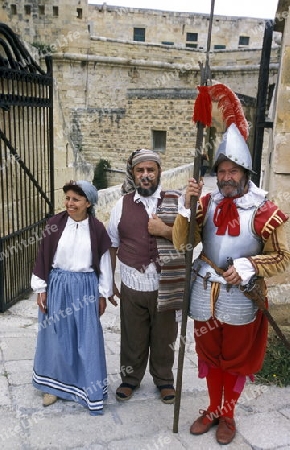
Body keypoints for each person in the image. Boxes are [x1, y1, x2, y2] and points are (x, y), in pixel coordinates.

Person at [172, 123, 290, 445]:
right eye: (222, 170)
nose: (226, 176)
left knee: (235, 359)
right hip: (204, 289)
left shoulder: (265, 210)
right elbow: (183, 244)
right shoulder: (206, 202)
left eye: (233, 170)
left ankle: (228, 413)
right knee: (209, 354)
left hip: (242, 296)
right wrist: (186, 207)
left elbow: (282, 257)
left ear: (245, 173)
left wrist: (250, 264)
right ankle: (211, 408)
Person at [107, 148, 186, 404]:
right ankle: (130, 379)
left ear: (159, 172)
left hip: (166, 284)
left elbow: (189, 239)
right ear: (133, 173)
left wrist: (164, 230)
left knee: (165, 336)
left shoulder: (177, 201)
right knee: (133, 334)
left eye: (150, 170)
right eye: (140, 170)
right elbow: (112, 244)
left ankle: (164, 379)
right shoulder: (122, 204)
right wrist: (109, 280)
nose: (145, 175)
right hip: (132, 283)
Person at [31, 180, 115, 416]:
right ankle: (52, 386)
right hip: (57, 284)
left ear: (88, 203)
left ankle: (88, 388)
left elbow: (105, 263)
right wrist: (41, 288)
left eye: (75, 199)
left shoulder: (97, 229)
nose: (70, 203)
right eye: (67, 198)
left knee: (86, 338)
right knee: (55, 336)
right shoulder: (55, 224)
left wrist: (102, 294)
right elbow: (43, 256)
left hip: (85, 288)